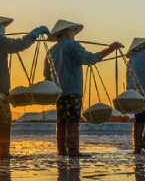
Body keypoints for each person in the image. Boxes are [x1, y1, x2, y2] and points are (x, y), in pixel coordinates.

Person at [0, 14, 49, 159]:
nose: (4, 29)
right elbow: (19, 45)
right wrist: (34, 33)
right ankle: (4, 153)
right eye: (2, 26)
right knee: (4, 120)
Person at [43, 19, 121, 158]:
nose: (74, 33)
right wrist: (109, 49)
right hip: (72, 89)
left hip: (58, 92)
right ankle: (73, 151)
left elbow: (47, 74)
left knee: (61, 120)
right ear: (66, 32)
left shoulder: (52, 50)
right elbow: (89, 58)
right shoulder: (72, 44)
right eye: (73, 31)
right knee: (73, 119)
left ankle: (62, 151)